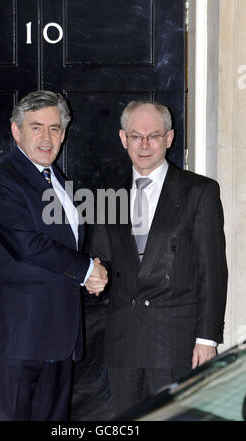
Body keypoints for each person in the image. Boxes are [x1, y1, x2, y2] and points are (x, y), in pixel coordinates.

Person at [0, 90, 107, 421]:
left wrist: (90, 270)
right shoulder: (0, 179)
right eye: (36, 127)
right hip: (14, 342)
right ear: (16, 131)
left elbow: (63, 243)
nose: (47, 137)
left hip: (58, 340)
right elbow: (26, 244)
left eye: (55, 128)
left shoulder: (57, 178)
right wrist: (87, 268)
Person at [86, 100, 228, 417]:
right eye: (136, 136)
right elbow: (102, 257)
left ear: (169, 138)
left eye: (154, 135)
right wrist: (95, 275)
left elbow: (213, 271)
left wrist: (206, 339)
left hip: (176, 343)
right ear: (123, 139)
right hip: (123, 344)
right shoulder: (107, 193)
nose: (145, 144)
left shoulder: (199, 191)